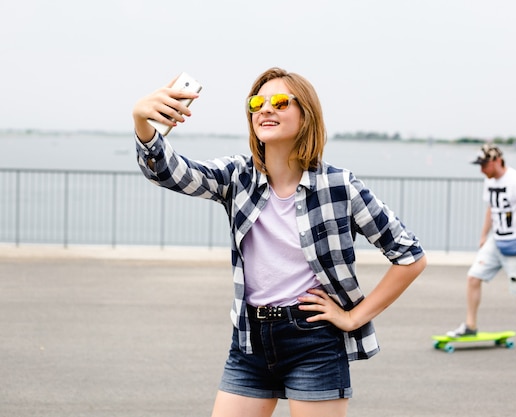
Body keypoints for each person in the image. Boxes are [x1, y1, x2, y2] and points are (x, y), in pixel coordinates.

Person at [131, 67, 427, 417]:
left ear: (306, 117)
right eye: (258, 102)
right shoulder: (237, 177)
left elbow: (409, 255)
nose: (266, 108)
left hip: (314, 340)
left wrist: (353, 318)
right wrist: (142, 123)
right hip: (249, 340)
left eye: (281, 101)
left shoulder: (339, 186)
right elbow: (169, 172)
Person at [446, 144, 516, 355]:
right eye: (479, 165)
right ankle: (470, 326)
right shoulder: (489, 181)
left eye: (484, 165)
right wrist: (484, 235)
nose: (482, 170)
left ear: (497, 161)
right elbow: (491, 208)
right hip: (496, 240)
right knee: (473, 278)